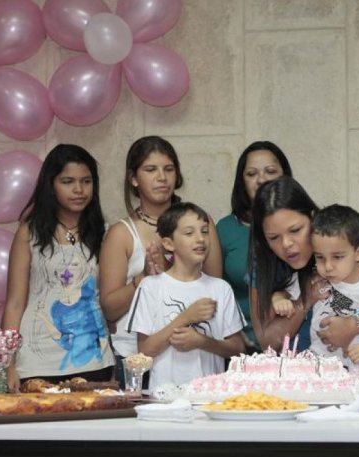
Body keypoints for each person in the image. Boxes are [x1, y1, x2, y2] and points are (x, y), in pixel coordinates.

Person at [249, 176, 359, 370]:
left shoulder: (345, 237)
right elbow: (268, 341)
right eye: (274, 237)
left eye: (295, 230)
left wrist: (356, 323)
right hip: (301, 373)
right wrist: (306, 300)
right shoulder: (263, 261)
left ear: (312, 218)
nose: (286, 244)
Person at [99, 136, 223, 386]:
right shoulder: (121, 233)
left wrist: (171, 272)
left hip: (195, 351)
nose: (162, 177)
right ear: (134, 178)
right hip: (139, 359)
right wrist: (144, 279)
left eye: (168, 169)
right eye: (150, 169)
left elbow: (217, 290)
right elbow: (110, 308)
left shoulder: (202, 222)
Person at [2, 144, 115, 391]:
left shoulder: (104, 232)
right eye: (68, 181)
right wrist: (8, 364)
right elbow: (14, 303)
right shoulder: (29, 232)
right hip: (36, 360)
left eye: (86, 181)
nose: (79, 190)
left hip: (94, 357)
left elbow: (109, 299)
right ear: (51, 185)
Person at [127, 202, 245, 390]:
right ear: (168, 243)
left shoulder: (220, 289)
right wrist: (185, 318)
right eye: (189, 233)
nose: (200, 239)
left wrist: (202, 341)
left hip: (210, 398)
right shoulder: (151, 287)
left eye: (204, 231)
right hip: (164, 397)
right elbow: (144, 352)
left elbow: (238, 348)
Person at [217, 141, 292, 353]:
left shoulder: (305, 224)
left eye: (270, 171)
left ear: (284, 176)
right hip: (245, 348)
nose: (261, 180)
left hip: (301, 345)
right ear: (242, 181)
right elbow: (214, 291)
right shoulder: (225, 228)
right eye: (251, 174)